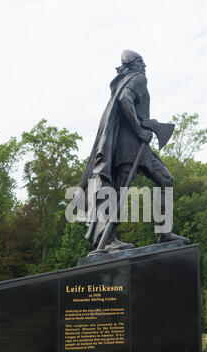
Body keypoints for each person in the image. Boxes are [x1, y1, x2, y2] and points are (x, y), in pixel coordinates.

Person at [78, 50, 190, 251]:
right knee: (118, 191)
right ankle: (108, 239)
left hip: (138, 145)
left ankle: (164, 233)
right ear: (135, 64)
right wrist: (139, 130)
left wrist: (145, 124)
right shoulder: (137, 78)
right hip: (130, 146)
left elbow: (127, 105)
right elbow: (125, 100)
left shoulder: (126, 79)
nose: (145, 67)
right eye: (142, 63)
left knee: (165, 180)